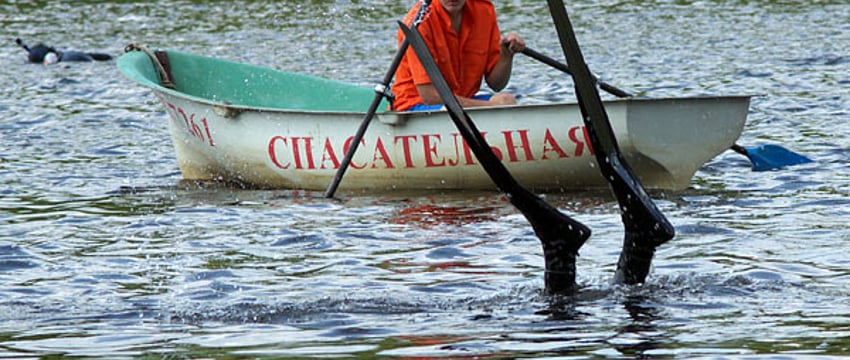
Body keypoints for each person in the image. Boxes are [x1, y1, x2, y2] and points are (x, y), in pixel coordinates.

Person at [391, 0, 525, 112]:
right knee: (448, 113)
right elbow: (430, 97)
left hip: (461, 103)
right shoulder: (417, 23)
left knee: (508, 100)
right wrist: (489, 106)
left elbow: (496, 84)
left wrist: (506, 56)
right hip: (416, 106)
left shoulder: (484, 10)